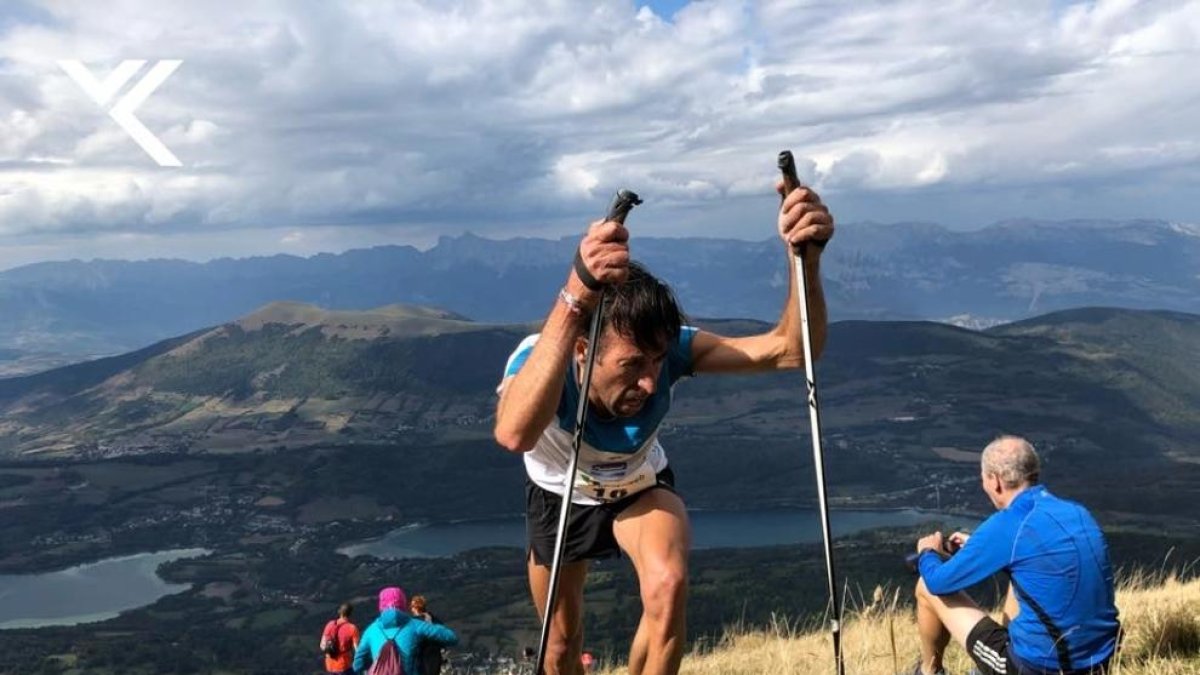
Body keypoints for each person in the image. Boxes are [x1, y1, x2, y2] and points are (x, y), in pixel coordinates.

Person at [494, 179, 834, 675]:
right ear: (584, 352)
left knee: (668, 587)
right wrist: (576, 294)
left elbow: (792, 350)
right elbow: (514, 434)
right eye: (632, 365)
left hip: (637, 483)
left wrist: (805, 259)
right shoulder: (543, 358)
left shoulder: (671, 347)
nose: (651, 382)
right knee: (561, 647)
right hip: (558, 494)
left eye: (657, 361)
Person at [909, 436, 1120, 675]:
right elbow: (1037, 557)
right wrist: (979, 547)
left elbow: (939, 582)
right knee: (1020, 578)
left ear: (995, 481)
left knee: (925, 586)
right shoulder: (1077, 512)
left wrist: (928, 552)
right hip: (1099, 661)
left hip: (1040, 669)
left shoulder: (1010, 523)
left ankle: (928, 671)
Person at [354, 586, 459, 675]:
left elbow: (357, 664)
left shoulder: (371, 630)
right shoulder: (416, 625)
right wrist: (433, 622)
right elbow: (451, 637)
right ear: (403, 604)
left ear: (381, 606)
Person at [320, 602, 361, 675]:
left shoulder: (330, 624)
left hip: (330, 664)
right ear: (350, 614)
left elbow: (322, 645)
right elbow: (357, 651)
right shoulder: (352, 628)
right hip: (344, 665)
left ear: (340, 612)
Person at [410, 594, 445, 675]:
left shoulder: (413, 623)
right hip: (435, 655)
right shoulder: (435, 620)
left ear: (415, 607)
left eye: (412, 606)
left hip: (421, 657)